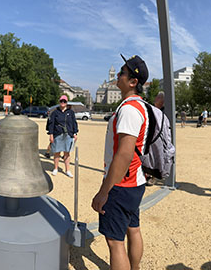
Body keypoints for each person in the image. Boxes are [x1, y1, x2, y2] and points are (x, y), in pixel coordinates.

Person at [92, 55, 151, 270]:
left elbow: (124, 154)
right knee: (133, 229)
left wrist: (104, 190)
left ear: (133, 81)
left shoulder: (128, 109)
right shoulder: (142, 106)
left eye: (122, 73)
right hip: (136, 180)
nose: (118, 76)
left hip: (121, 184)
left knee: (115, 242)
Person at [47, 95, 78, 178]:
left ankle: (67, 170)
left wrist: (75, 133)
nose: (63, 103)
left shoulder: (70, 112)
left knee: (67, 153)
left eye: (64, 101)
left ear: (67, 103)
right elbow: (51, 124)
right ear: (59, 102)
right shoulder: (55, 112)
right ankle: (56, 168)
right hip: (58, 134)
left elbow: (74, 123)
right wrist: (51, 135)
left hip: (68, 134)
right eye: (61, 101)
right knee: (57, 152)